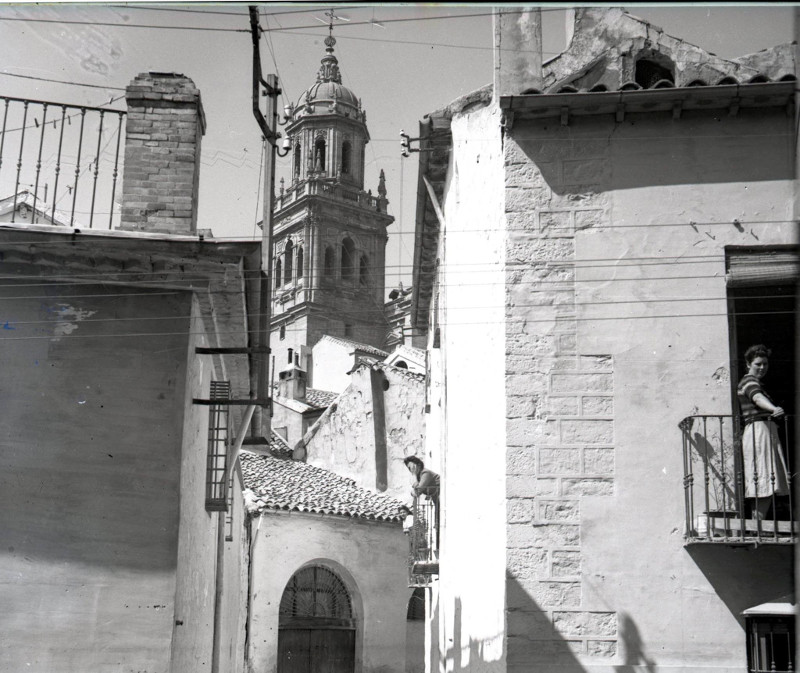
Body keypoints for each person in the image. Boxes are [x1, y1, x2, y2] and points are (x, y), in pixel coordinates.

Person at [737, 344, 789, 519]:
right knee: (764, 476)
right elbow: (757, 397)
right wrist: (774, 408)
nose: (762, 367)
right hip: (759, 431)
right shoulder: (748, 381)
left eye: (765, 364)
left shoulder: (757, 382)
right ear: (748, 364)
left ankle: (757, 523)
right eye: (758, 364)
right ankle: (758, 525)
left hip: (764, 430)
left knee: (764, 478)